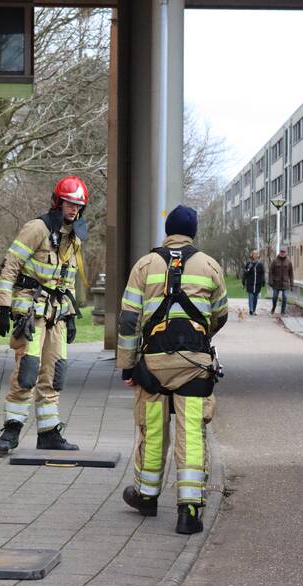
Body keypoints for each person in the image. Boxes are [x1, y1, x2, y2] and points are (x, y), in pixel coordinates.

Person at [116, 205, 228, 534]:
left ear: (167, 230)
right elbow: (219, 314)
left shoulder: (144, 265)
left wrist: (128, 366)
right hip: (194, 366)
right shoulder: (209, 265)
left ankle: (147, 496)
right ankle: (189, 511)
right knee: (191, 433)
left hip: (153, 364)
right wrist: (198, 337)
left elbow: (128, 320)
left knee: (152, 430)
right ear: (193, 232)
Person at [0, 176, 90, 455]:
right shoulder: (37, 228)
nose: (74, 210)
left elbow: (67, 278)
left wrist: (70, 315)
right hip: (31, 310)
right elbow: (10, 265)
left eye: (78, 205)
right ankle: (11, 431)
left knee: (55, 373)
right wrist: (3, 307)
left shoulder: (74, 236)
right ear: (59, 201)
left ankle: (48, 433)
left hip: (57, 311)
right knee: (28, 371)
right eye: (70, 204)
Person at [270, 247, 294, 315]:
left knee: (285, 297)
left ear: (285, 252)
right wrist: (271, 281)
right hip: (276, 283)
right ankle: (273, 307)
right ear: (279, 252)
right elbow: (271, 272)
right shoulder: (275, 261)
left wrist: (292, 284)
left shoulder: (289, 261)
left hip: (285, 283)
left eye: (283, 252)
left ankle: (283, 311)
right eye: (281, 252)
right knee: (275, 297)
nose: (282, 253)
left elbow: (291, 274)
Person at [242, 250, 265, 315]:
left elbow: (262, 273)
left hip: (257, 284)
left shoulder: (260, 265)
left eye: (257, 254)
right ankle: (251, 310)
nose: (256, 255)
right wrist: (243, 282)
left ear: (258, 256)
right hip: (250, 284)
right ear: (252, 255)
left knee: (255, 298)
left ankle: (254, 310)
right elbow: (245, 274)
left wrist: (263, 281)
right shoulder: (249, 264)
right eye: (254, 254)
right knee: (250, 297)